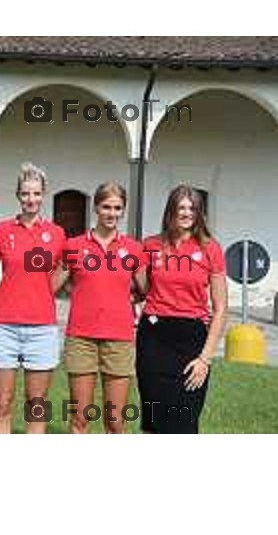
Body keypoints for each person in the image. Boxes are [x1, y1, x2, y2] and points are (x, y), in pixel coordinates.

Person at [135, 184, 227, 434]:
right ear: (170, 211)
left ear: (198, 213)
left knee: (185, 422)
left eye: (192, 208)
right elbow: (140, 290)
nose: (186, 213)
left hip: (191, 341)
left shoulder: (211, 248)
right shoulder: (150, 245)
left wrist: (205, 359)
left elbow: (220, 309)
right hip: (153, 338)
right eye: (181, 207)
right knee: (153, 421)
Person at [53, 182, 144, 434]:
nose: (111, 213)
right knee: (80, 420)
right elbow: (49, 286)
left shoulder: (134, 249)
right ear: (95, 208)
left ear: (123, 211)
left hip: (119, 339)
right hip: (81, 337)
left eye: (117, 208)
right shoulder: (74, 246)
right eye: (106, 207)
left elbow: (147, 289)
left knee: (116, 422)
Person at [0, 162, 65, 434]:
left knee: (37, 404)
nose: (31, 199)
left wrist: (43, 292)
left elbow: (63, 271)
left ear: (43, 195)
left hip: (42, 328)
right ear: (18, 196)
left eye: (36, 193)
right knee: (2, 403)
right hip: (3, 327)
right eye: (25, 193)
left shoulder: (56, 234)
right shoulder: (2, 230)